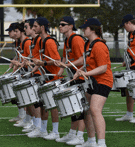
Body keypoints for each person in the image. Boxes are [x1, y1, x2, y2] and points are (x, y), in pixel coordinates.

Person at [73, 18, 113, 147]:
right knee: (87, 111)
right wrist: (79, 71)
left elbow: (103, 68)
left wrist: (86, 73)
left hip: (103, 80)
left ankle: (101, 144)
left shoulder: (99, 45)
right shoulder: (87, 44)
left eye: (85, 28)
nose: (83, 30)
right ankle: (91, 141)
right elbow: (87, 64)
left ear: (93, 29)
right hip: (91, 81)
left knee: (95, 109)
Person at [26, 17, 61, 139]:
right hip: (45, 76)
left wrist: (43, 63)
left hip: (53, 77)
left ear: (42, 27)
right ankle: (43, 129)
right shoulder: (41, 40)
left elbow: (57, 60)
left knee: (52, 106)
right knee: (44, 104)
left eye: (35, 26)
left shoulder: (49, 41)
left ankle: (55, 132)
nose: (33, 28)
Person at [54, 16, 86, 146]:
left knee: (81, 108)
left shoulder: (76, 39)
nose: (60, 26)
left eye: (63, 24)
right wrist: (61, 69)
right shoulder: (67, 40)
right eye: (59, 24)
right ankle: (72, 133)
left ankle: (80, 136)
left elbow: (82, 59)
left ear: (71, 26)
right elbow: (64, 57)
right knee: (74, 107)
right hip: (73, 76)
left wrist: (66, 65)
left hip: (82, 77)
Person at [5, 22, 26, 123]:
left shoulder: (26, 42)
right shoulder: (17, 42)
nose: (9, 34)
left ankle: (25, 117)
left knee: (24, 96)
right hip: (21, 69)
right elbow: (19, 55)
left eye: (11, 31)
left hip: (26, 71)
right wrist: (13, 61)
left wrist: (17, 63)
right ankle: (21, 115)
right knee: (17, 95)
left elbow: (27, 58)